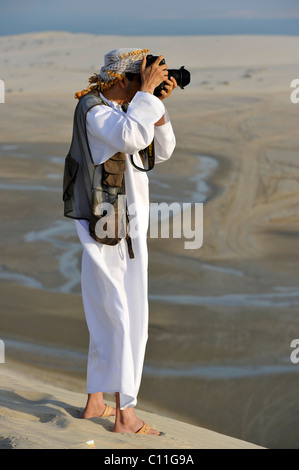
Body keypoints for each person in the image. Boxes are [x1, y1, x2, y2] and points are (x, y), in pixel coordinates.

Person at [64, 48, 176, 435]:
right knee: (123, 317)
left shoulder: (126, 110)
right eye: (141, 78)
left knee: (106, 311)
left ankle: (97, 402)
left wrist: (155, 104)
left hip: (122, 229)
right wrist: (144, 98)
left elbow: (162, 148)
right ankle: (125, 415)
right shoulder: (95, 112)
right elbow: (130, 139)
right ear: (122, 80)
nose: (144, 85)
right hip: (110, 231)